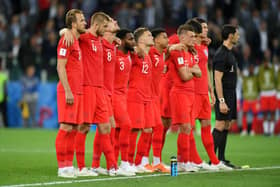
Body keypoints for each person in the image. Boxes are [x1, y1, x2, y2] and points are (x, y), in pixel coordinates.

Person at [61, 12, 117, 176]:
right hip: (86, 88)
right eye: (105, 27)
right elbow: (69, 34)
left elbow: (113, 34)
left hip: (100, 90)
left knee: (105, 126)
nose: (107, 30)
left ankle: (112, 166)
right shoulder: (83, 38)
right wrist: (65, 31)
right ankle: (81, 166)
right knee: (84, 127)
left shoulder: (100, 40)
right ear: (97, 26)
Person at [190, 18, 231, 170]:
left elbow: (206, 69)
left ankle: (214, 161)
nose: (207, 29)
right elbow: (175, 40)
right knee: (188, 128)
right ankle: (193, 160)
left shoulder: (205, 46)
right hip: (191, 92)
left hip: (203, 93)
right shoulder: (190, 44)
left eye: (207, 27)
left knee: (206, 126)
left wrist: (211, 91)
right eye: (204, 27)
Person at [55, 9, 86, 178]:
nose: (85, 22)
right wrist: (67, 90)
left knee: (74, 128)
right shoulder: (65, 41)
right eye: (81, 20)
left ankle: (68, 165)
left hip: (78, 91)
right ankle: (62, 167)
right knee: (66, 127)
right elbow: (60, 67)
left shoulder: (76, 40)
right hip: (68, 90)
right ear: (73, 24)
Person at [168, 24, 201, 172]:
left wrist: (192, 70)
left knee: (188, 128)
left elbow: (199, 73)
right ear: (181, 37)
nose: (194, 39)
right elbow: (184, 75)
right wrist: (192, 70)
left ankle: (183, 162)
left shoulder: (192, 53)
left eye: (195, 36)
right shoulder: (177, 52)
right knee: (185, 127)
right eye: (191, 36)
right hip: (180, 93)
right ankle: (184, 161)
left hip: (190, 93)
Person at [127, 27, 155, 173]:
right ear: (141, 39)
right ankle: (129, 162)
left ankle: (138, 163)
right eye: (149, 35)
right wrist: (134, 48)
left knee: (148, 130)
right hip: (135, 95)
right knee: (134, 129)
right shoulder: (135, 52)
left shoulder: (148, 55)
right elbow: (125, 48)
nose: (152, 37)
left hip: (147, 97)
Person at [212, 24, 239, 169]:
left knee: (227, 124)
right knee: (220, 124)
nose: (238, 37)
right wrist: (221, 100)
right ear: (230, 36)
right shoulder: (221, 54)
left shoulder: (229, 53)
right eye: (237, 34)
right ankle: (212, 160)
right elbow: (217, 79)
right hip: (224, 94)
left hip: (231, 93)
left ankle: (221, 159)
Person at [113, 29, 137, 174]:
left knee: (117, 130)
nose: (133, 41)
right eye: (130, 39)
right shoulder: (114, 52)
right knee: (127, 125)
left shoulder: (130, 54)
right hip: (114, 94)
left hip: (124, 95)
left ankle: (113, 164)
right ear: (121, 41)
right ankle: (124, 162)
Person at [257, 54, 277, 136]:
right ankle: (266, 131)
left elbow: (276, 79)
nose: (266, 64)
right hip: (264, 93)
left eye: (267, 62)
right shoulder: (260, 69)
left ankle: (271, 131)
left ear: (268, 62)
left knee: (273, 112)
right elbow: (258, 80)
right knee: (264, 112)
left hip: (272, 92)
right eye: (265, 62)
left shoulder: (273, 68)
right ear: (263, 62)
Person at [241, 64, 259, 136]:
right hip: (246, 98)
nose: (251, 70)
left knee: (255, 115)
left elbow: (259, 87)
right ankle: (244, 130)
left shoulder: (256, 77)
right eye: (250, 68)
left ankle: (253, 130)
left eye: (252, 68)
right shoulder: (245, 78)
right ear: (248, 69)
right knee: (244, 114)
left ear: (254, 69)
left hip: (254, 99)